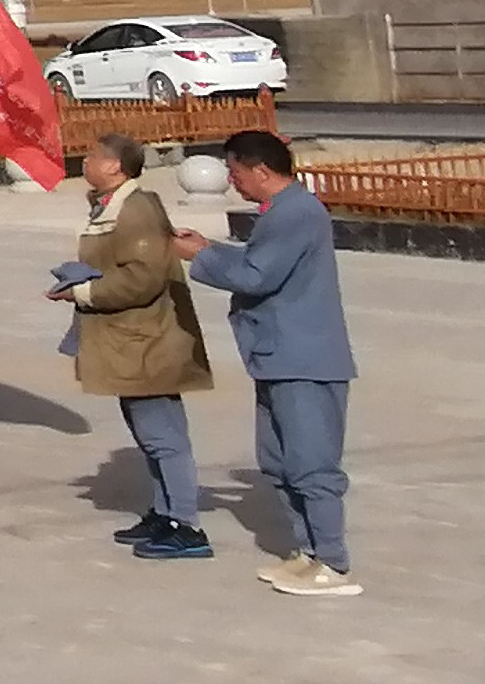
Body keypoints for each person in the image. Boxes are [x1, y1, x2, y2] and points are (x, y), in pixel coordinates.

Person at [189, 130, 357, 596]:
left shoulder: (296, 213)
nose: (232, 180)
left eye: (235, 171)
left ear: (261, 170)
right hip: (277, 356)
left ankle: (333, 561)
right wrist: (208, 247)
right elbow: (256, 261)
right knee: (279, 462)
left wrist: (201, 257)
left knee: (312, 464)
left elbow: (256, 275)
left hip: (305, 358)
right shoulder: (281, 214)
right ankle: (307, 551)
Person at [53, 132, 212, 561]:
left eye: (91, 156)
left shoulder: (137, 208)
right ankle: (164, 511)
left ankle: (186, 524)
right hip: (127, 337)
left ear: (114, 167)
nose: (84, 162)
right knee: (148, 432)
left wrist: (84, 292)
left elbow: (143, 277)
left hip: (148, 339)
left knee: (164, 435)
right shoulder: (110, 204)